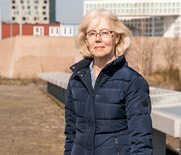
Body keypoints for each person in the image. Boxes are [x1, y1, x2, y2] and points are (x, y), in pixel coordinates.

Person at [64, 8, 153, 155]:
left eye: (104, 32)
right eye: (92, 33)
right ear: (86, 39)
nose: (98, 39)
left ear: (116, 37)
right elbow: (71, 134)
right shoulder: (76, 80)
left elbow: (141, 139)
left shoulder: (132, 82)